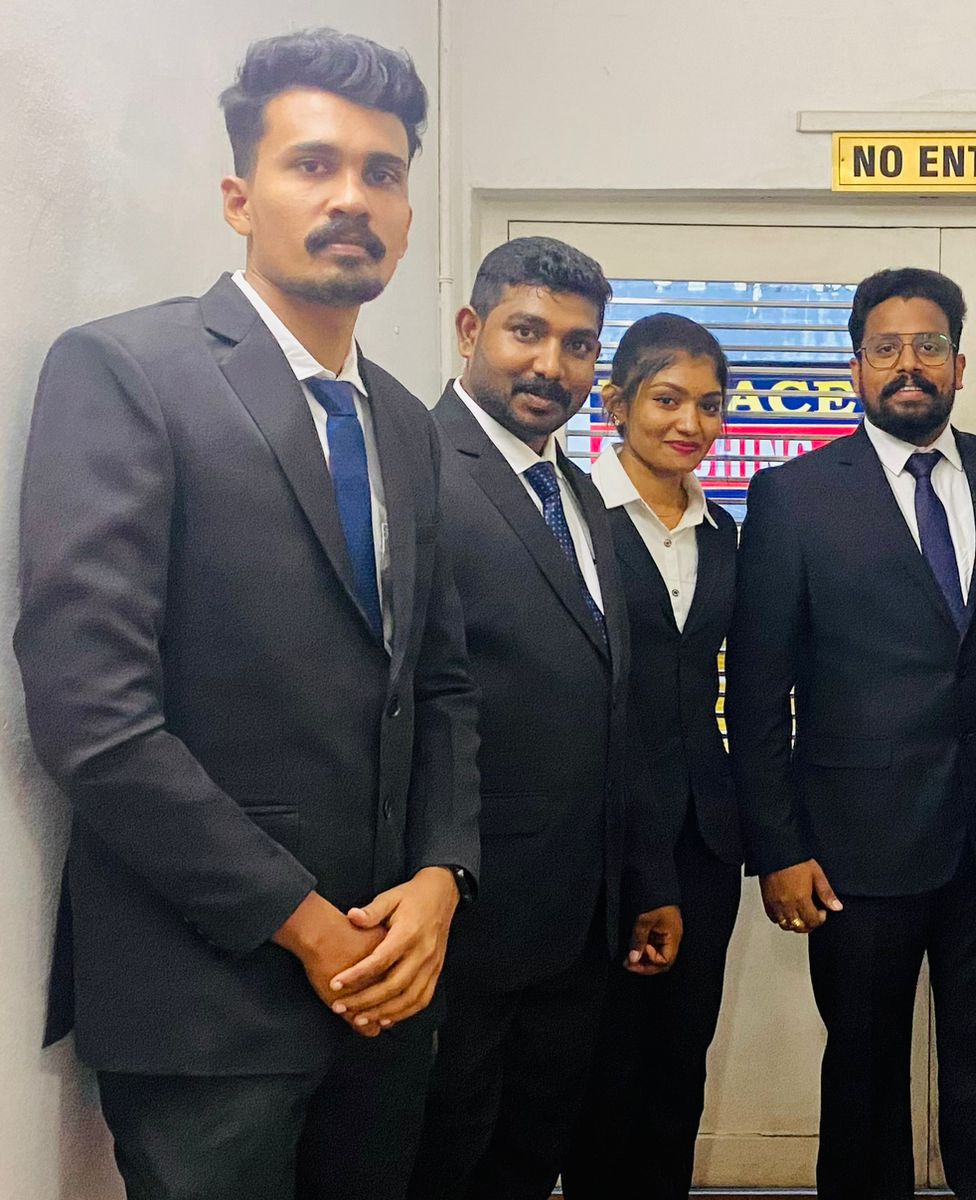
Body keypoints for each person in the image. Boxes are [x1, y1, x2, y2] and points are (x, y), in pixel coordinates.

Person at [13, 29, 480, 1200]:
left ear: (406, 213)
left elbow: (439, 684)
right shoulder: (128, 372)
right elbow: (94, 719)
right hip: (203, 998)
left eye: (381, 172)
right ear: (239, 197)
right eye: (312, 164)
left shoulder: (402, 421)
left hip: (387, 991)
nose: (351, 197)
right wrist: (305, 924)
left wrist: (440, 877)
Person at [726, 268, 976, 1200]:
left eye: (929, 345)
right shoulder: (792, 496)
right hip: (852, 851)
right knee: (862, 1073)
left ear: (960, 364)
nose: (910, 364)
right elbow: (757, 691)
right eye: (888, 347)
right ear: (856, 366)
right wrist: (778, 846)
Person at [409, 237, 680, 1200]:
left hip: (578, 923)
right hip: (466, 916)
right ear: (470, 329)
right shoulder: (419, 468)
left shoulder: (577, 492)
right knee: (446, 1165)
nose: (550, 365)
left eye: (577, 344)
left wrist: (640, 879)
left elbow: (610, 705)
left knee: (527, 1162)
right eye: (526, 333)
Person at [563, 314, 743, 1199]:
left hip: (703, 840)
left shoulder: (722, 532)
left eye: (709, 405)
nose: (690, 423)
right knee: (603, 1080)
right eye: (668, 400)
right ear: (616, 403)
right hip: (599, 838)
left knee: (678, 1073)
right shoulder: (573, 521)